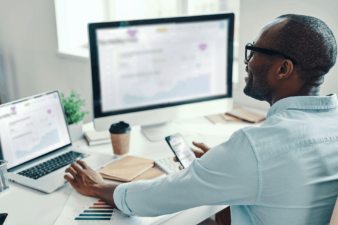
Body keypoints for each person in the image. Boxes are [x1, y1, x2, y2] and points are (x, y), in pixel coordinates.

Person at [64, 14, 338, 225]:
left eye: (253, 51)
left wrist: (99, 186)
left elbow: (158, 198)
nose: (247, 62)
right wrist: (228, 165)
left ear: (283, 68)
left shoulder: (256, 147)